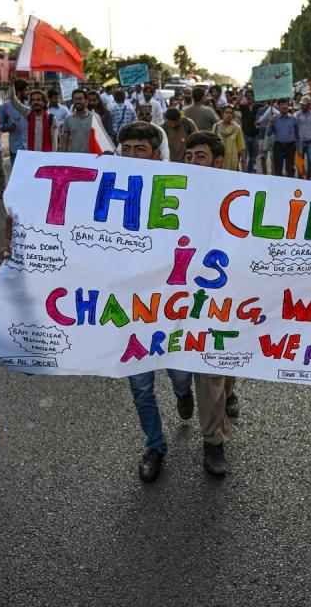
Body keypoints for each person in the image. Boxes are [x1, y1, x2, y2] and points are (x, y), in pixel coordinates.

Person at [114, 123, 195, 482]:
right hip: (130, 310)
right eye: (126, 149)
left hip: (171, 307)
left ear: (157, 155)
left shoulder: (180, 193)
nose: (131, 156)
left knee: (179, 373)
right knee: (140, 386)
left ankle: (183, 392)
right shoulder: (110, 193)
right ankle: (155, 445)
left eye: (139, 149)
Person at [181, 129, 240, 473]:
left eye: (199, 157)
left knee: (219, 364)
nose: (192, 163)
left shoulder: (241, 195)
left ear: (218, 162)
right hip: (181, 294)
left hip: (226, 295)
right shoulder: (173, 190)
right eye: (188, 156)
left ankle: (215, 434)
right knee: (200, 369)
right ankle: (213, 436)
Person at [0, 79, 30, 165]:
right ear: (19, 91)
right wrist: (9, 128)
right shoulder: (6, 106)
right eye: (26, 90)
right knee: (17, 176)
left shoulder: (31, 105)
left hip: (30, 149)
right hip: (15, 149)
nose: (28, 92)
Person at [268, 99, 298, 178]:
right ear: (278, 106)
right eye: (282, 104)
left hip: (290, 146)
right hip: (278, 146)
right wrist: (270, 123)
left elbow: (297, 135)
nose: (285, 106)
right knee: (278, 169)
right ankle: (279, 187)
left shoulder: (293, 119)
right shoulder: (274, 119)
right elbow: (268, 133)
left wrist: (299, 148)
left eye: (286, 104)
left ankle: (290, 187)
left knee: (290, 168)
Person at [60, 89, 95, 154]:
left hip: (91, 157)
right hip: (74, 158)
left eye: (80, 99)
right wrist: (64, 157)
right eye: (75, 99)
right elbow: (65, 141)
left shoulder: (95, 118)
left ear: (86, 101)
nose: (77, 101)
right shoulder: (68, 119)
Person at [213, 104, 246, 172]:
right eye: (226, 112)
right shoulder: (216, 127)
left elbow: (241, 146)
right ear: (222, 114)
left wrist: (243, 161)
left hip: (232, 160)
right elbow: (212, 143)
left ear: (233, 115)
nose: (228, 115)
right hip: (219, 160)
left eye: (231, 113)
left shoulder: (237, 128)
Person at [294, 95, 311, 180]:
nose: (302, 106)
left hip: (310, 141)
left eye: (304, 104)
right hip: (300, 142)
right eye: (301, 104)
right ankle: (301, 177)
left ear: (309, 105)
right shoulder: (296, 115)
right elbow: (294, 127)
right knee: (300, 162)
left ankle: (308, 177)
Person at [237, 90, 260, 173]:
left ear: (254, 97)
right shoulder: (243, 107)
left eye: (251, 95)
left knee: (253, 158)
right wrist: (239, 98)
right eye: (247, 95)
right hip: (245, 135)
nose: (249, 97)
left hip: (255, 135)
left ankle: (250, 173)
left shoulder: (258, 106)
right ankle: (245, 174)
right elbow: (234, 107)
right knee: (244, 158)